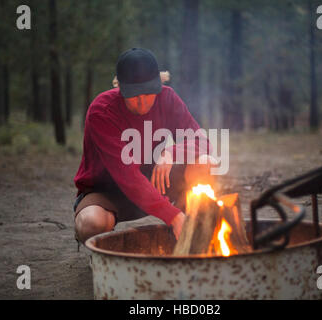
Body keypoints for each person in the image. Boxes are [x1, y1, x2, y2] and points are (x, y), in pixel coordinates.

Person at [73, 48, 215, 245]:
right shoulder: (102, 111)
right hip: (108, 191)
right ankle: (100, 247)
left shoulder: (167, 98)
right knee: (92, 223)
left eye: (149, 93)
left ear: (159, 83)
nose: (142, 103)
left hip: (154, 181)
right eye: (134, 95)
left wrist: (171, 152)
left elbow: (204, 143)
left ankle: (182, 232)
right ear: (120, 88)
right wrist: (170, 214)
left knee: (204, 163)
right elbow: (127, 175)